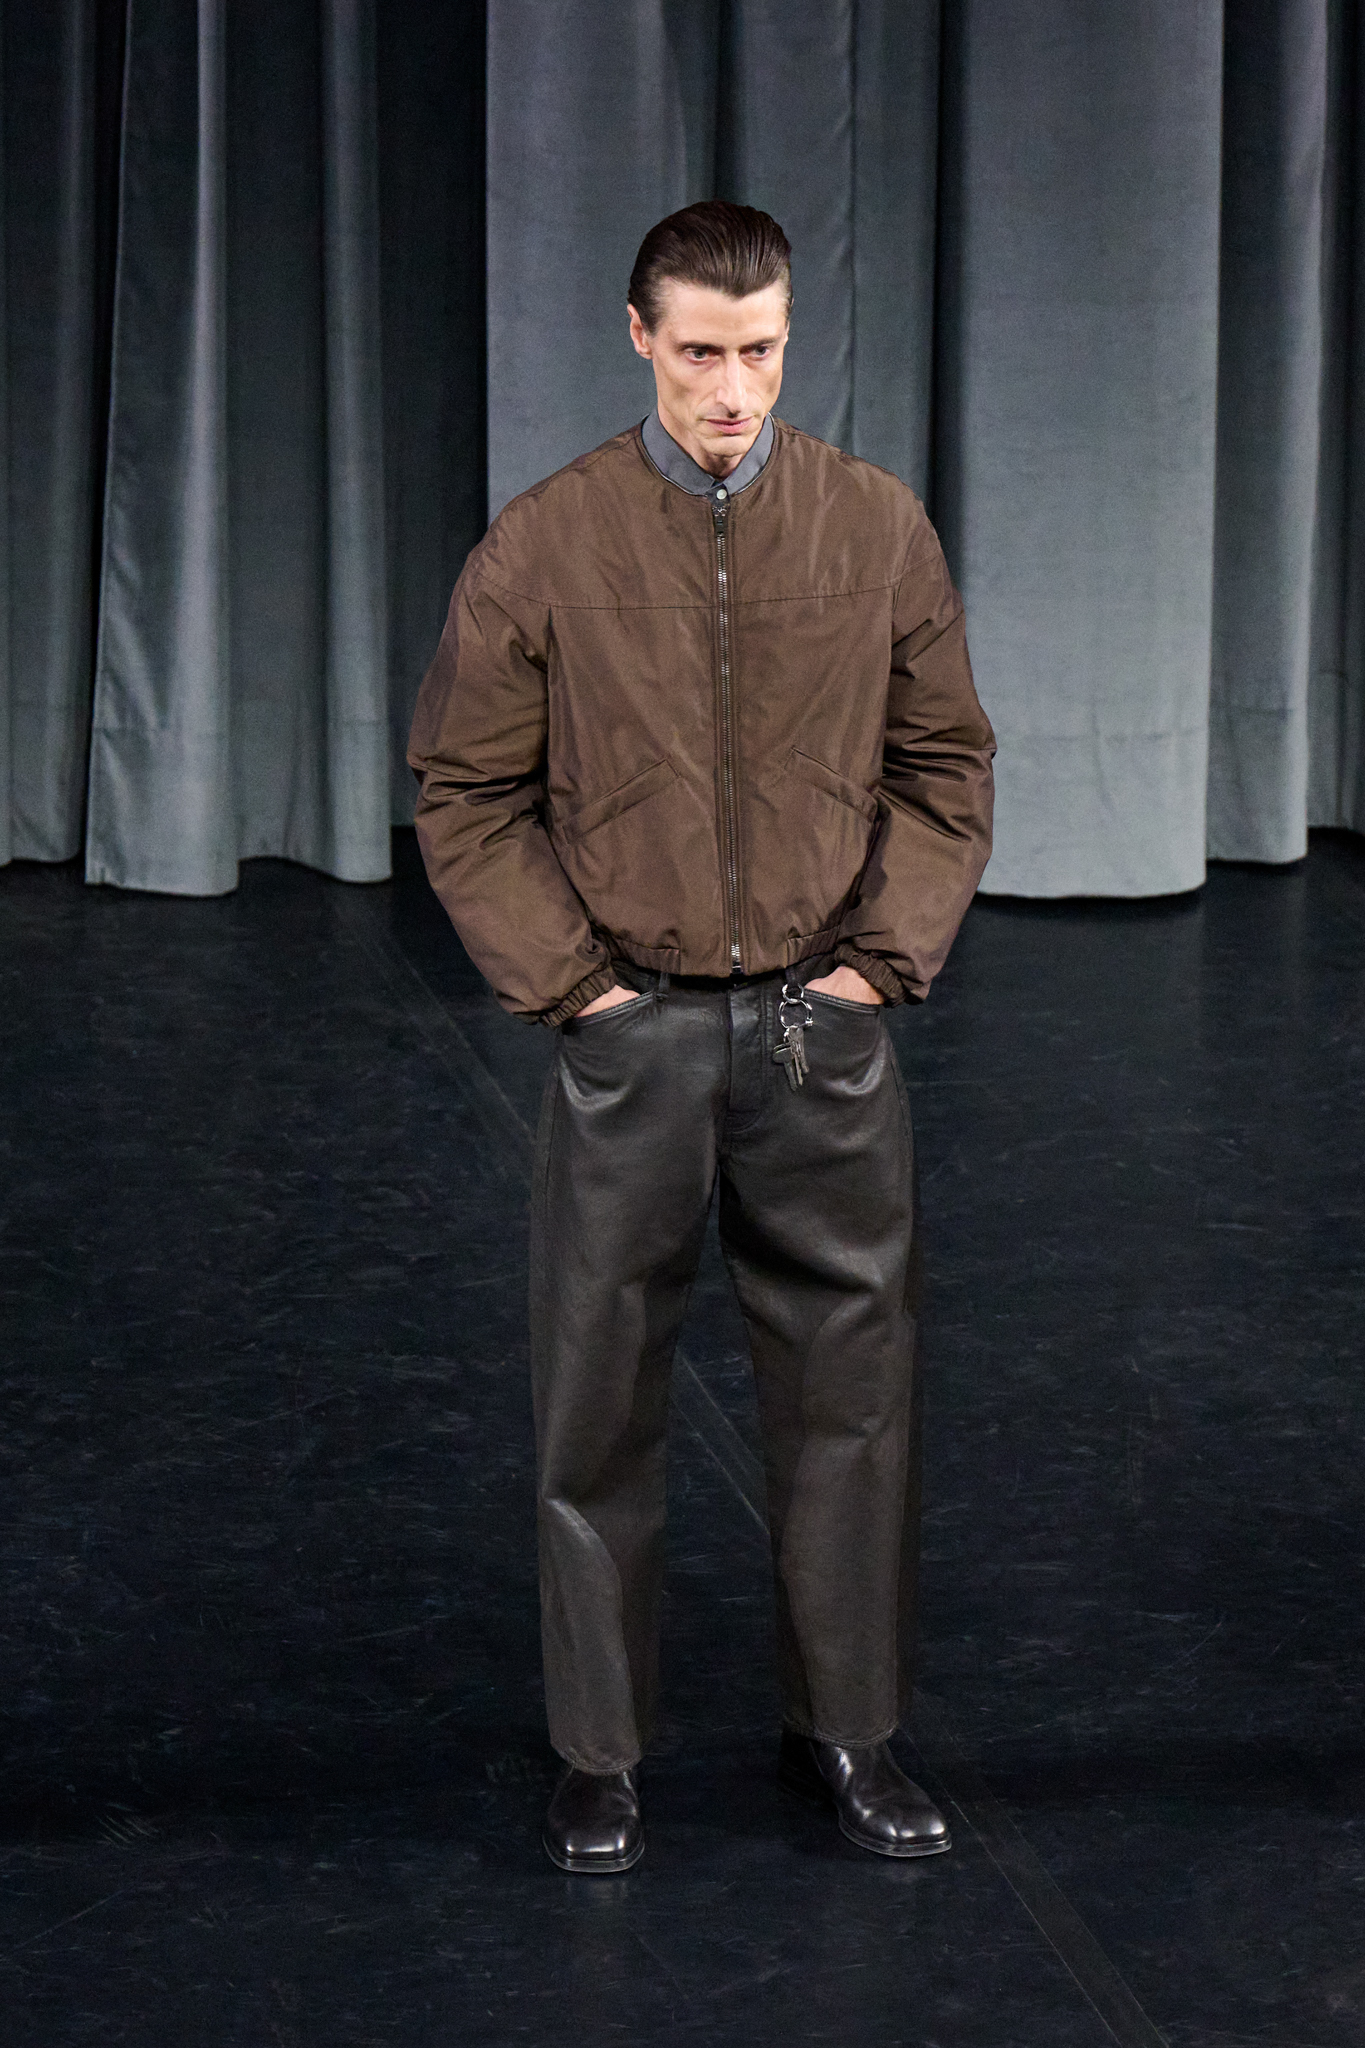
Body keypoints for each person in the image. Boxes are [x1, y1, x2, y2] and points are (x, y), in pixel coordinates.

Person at [408, 201, 995, 1874]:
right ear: (638, 339)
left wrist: (874, 970)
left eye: (760, 350)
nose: (732, 389)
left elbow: (943, 765)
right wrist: (578, 995)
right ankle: (599, 1753)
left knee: (853, 1399)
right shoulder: (549, 544)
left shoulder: (870, 527)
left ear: (788, 339)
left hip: (822, 1037)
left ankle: (848, 1732)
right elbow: (465, 789)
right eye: (698, 352)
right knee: (596, 1402)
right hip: (635, 1036)